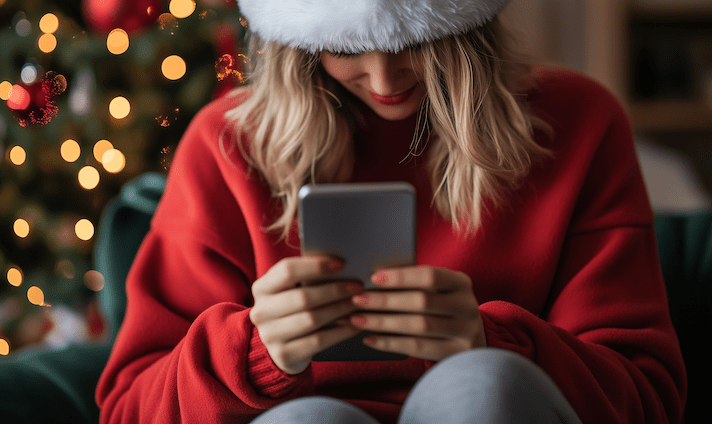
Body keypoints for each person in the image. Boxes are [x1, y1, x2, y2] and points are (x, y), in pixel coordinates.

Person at [96, 0, 687, 423]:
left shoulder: (578, 123)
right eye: (346, 44)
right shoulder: (226, 145)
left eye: (413, 38)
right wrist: (252, 355)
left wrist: (496, 343)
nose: (383, 77)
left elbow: (647, 396)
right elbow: (128, 409)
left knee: (479, 383)